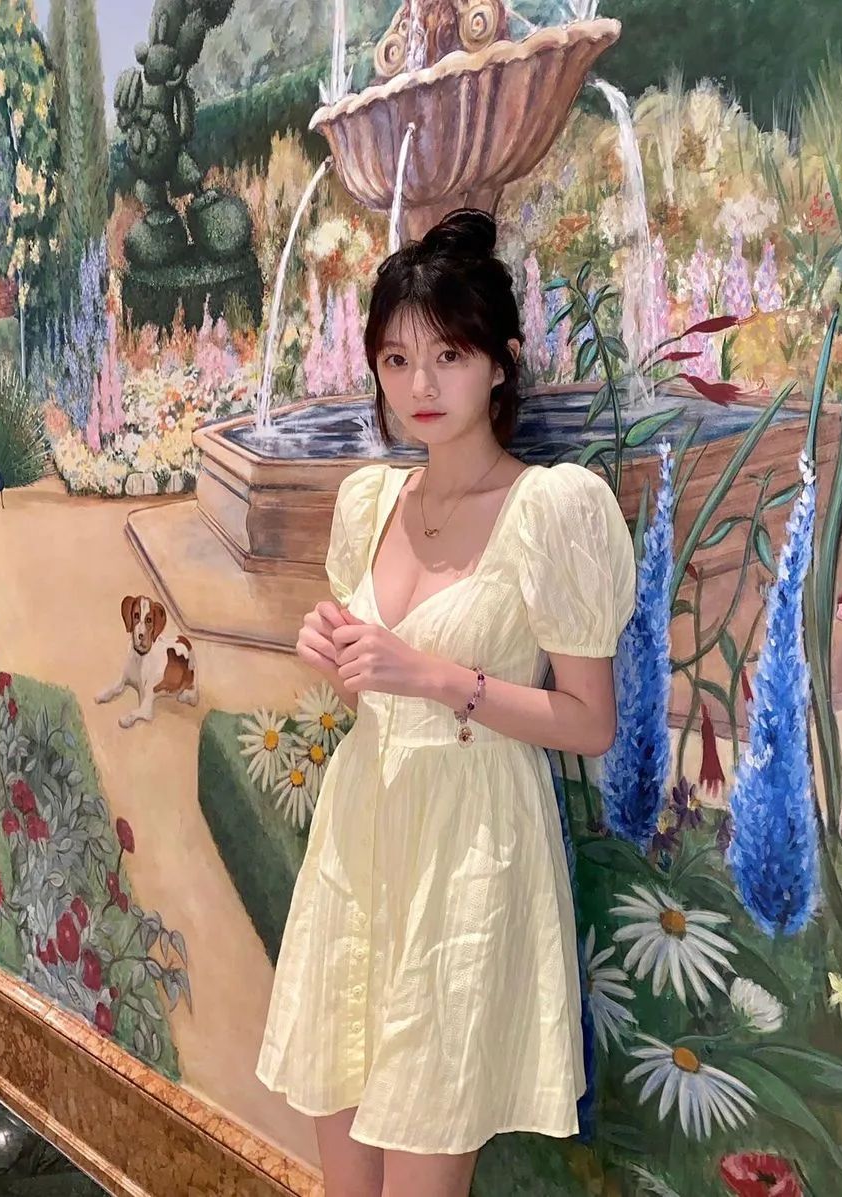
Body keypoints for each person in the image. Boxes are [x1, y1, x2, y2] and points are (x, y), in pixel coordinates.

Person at [256, 208, 637, 1197]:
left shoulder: (550, 509)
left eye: (448, 356)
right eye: (396, 359)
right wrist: (331, 649)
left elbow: (590, 721)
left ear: (501, 363)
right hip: (361, 832)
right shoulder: (369, 503)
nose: (419, 385)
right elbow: (368, 677)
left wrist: (433, 677)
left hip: (471, 848)